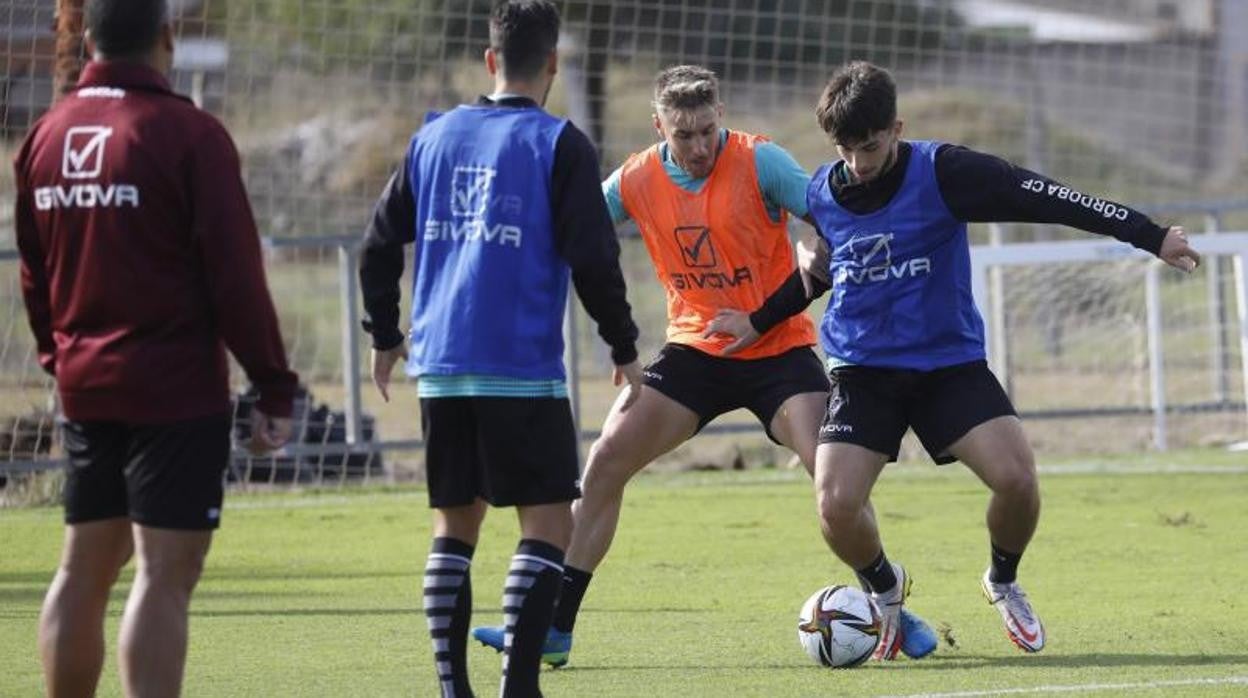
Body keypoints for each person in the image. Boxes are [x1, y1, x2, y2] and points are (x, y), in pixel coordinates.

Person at [705, 60, 1203, 655]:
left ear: (897, 128)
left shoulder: (946, 172)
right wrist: (758, 319)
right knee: (835, 505)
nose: (859, 163)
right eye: (846, 149)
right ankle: (886, 593)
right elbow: (821, 276)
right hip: (864, 370)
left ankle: (1003, 579)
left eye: (870, 146)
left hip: (947, 366)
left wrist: (1149, 234)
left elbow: (1048, 197)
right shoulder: (822, 191)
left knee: (1017, 481)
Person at [472, 64, 939, 665]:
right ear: (658, 126)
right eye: (681, 135)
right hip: (696, 349)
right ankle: (554, 630)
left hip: (777, 346)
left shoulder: (759, 161)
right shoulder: (637, 177)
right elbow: (573, 228)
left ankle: (889, 599)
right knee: (607, 460)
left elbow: (832, 213)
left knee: (831, 482)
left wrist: (813, 244)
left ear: (720, 115)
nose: (696, 148)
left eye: (705, 132)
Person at [13, 1, 298, 696]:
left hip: (85, 385)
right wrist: (272, 384)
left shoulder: (45, 137)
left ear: (85, 36)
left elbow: (33, 274)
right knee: (163, 575)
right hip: (174, 390)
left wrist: (61, 360)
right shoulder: (189, 134)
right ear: (167, 38)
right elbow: (235, 276)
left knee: (83, 567)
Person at [358, 2, 643, 695]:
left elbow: (375, 246)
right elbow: (593, 258)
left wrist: (386, 336)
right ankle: (518, 688)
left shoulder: (433, 138)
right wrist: (624, 344)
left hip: (442, 370)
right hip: (521, 371)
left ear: (490, 61)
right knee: (546, 523)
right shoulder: (559, 143)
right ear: (552, 65)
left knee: (454, 528)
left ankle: (455, 689)